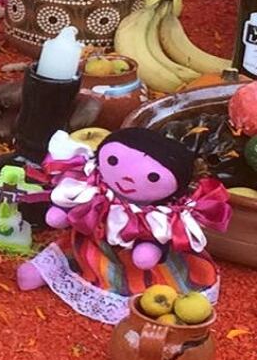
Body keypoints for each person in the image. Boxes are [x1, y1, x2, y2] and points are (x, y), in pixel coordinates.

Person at [16, 129, 230, 324]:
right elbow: (69, 204)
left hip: (133, 263)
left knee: (143, 271)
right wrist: (60, 213)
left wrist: (149, 248)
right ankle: (49, 270)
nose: (127, 177)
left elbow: (158, 236)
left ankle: (122, 298)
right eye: (113, 160)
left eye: (153, 177)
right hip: (89, 245)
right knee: (70, 254)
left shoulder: (156, 216)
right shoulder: (94, 188)